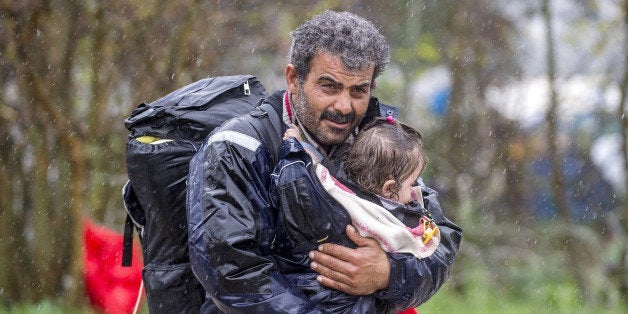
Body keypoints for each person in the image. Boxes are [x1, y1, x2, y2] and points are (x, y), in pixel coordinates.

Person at [186, 10, 462, 313]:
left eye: (359, 91)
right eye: (329, 87)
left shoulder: (379, 144)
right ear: (294, 79)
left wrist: (389, 274)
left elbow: (439, 239)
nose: (344, 106)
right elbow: (234, 274)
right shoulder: (238, 147)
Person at [271, 117, 441, 313]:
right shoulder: (387, 222)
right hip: (353, 303)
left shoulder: (331, 187)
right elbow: (421, 247)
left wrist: (295, 144)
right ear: (389, 188)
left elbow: (312, 165)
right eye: (412, 184)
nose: (414, 192)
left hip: (308, 289)